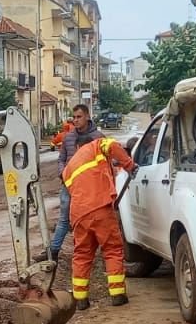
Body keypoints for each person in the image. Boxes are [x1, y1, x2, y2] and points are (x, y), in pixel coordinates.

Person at [60, 128, 137, 309]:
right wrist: (129, 165)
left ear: (78, 146)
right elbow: (112, 145)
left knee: (82, 255)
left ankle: (80, 299)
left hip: (79, 215)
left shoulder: (68, 168)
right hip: (100, 208)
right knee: (111, 249)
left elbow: (74, 189)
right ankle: (117, 294)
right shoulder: (95, 146)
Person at [49, 105, 99, 259]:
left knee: (88, 220)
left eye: (79, 117)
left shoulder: (98, 138)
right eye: (74, 117)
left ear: (87, 117)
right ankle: (53, 252)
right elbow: (61, 159)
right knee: (64, 219)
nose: (75, 120)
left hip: (90, 188)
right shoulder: (68, 137)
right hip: (68, 186)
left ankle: (88, 253)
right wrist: (63, 174)